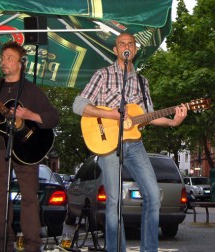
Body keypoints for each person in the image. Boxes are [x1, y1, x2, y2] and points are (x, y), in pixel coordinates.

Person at [72, 32, 188, 252]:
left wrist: (174, 122)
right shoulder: (103, 75)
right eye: (122, 43)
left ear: (135, 50)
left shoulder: (143, 83)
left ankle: (149, 249)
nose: (127, 46)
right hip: (108, 143)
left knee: (153, 195)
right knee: (114, 201)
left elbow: (150, 116)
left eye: (130, 43)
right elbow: (78, 105)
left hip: (134, 144)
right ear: (116, 50)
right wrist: (111, 115)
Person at [0, 41, 60, 252]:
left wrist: (30, 115)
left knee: (30, 197)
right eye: (3, 58)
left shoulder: (32, 91)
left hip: (27, 150)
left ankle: (33, 245)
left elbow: (53, 118)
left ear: (20, 64)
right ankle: (4, 243)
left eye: (9, 58)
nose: (4, 62)